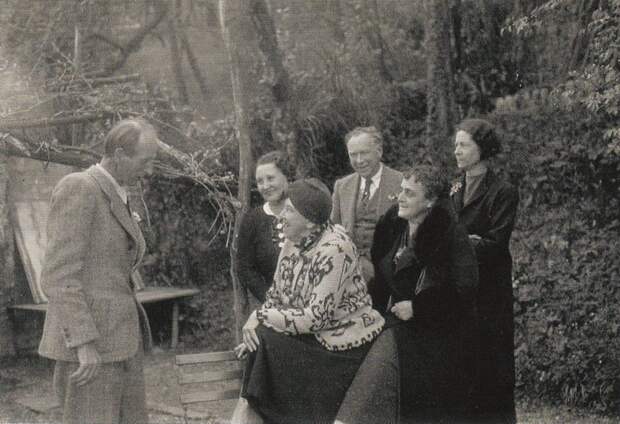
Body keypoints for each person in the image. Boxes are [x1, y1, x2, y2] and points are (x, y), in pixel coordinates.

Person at [335, 165, 479, 424]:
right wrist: (365, 313)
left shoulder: (450, 233)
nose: (400, 197)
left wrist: (419, 308)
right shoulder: (392, 226)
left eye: (410, 194)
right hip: (396, 324)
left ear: (430, 201)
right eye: (401, 190)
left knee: (382, 362)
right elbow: (381, 281)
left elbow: (465, 290)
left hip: (436, 334)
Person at [38, 118, 159, 424]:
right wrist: (83, 342)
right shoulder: (80, 187)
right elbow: (58, 275)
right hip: (91, 349)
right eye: (144, 162)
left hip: (120, 341)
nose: (148, 170)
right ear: (119, 155)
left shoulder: (118, 191)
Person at [236, 178, 385, 424]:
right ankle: (247, 417)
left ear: (310, 222)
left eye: (289, 211)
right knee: (259, 340)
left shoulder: (335, 249)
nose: (281, 216)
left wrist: (259, 316)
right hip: (312, 335)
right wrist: (258, 323)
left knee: (262, 338)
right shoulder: (294, 240)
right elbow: (275, 296)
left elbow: (316, 318)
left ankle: (245, 419)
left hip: (342, 344)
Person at [452, 118, 519, 424]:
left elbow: (495, 243)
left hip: (491, 293)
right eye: (456, 145)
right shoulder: (453, 189)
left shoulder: (502, 191)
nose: (457, 151)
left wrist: (457, 242)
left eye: (464, 145)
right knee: (463, 366)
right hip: (459, 290)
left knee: (493, 366)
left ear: (482, 148)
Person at [331, 126, 402, 309]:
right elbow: (333, 230)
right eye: (353, 155)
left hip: (389, 268)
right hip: (349, 266)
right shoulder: (342, 186)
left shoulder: (401, 182)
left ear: (379, 151)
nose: (359, 160)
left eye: (364, 153)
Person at [237, 151, 293, 302]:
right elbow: (245, 267)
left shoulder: (304, 211)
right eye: (260, 181)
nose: (265, 186)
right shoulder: (252, 220)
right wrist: (269, 299)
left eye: (270, 178)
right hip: (273, 304)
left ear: (285, 176)